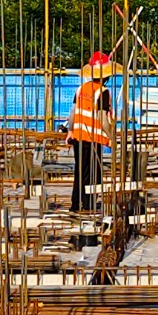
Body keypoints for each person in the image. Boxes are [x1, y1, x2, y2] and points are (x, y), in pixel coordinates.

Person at [69, 53, 115, 214]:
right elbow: (103, 119)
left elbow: (72, 113)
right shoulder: (102, 92)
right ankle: (88, 205)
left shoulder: (80, 89)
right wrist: (112, 137)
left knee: (80, 172)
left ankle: (76, 204)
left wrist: (70, 131)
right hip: (93, 139)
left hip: (78, 137)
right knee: (93, 174)